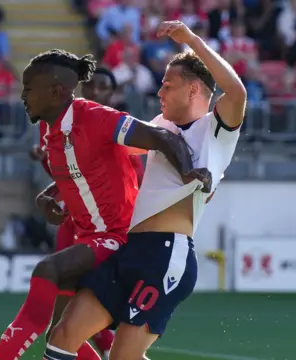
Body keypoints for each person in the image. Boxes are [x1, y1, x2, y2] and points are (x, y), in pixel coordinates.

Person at [0, 48, 211, 360]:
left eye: (28, 89)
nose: (23, 95)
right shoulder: (52, 130)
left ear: (55, 92)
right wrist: (48, 197)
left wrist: (188, 171)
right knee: (63, 333)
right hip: (87, 233)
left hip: (118, 235)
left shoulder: (98, 118)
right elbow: (80, 173)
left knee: (48, 272)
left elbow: (162, 137)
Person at [44, 20, 244, 360]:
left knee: (123, 356)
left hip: (165, 255)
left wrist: (192, 41)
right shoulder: (160, 127)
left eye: (168, 84)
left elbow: (236, 90)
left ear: (194, 90)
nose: (160, 92)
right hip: (130, 248)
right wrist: (61, 189)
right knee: (62, 334)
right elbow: (107, 157)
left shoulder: (217, 129)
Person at [28, 67, 145, 359]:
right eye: (91, 86)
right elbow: (69, 178)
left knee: (92, 305)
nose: (95, 92)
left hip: (113, 229)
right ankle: (105, 351)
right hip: (76, 224)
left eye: (103, 87)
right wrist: (46, 164)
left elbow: (135, 180)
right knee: (64, 320)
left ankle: (109, 350)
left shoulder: (119, 128)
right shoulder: (65, 124)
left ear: (112, 93)